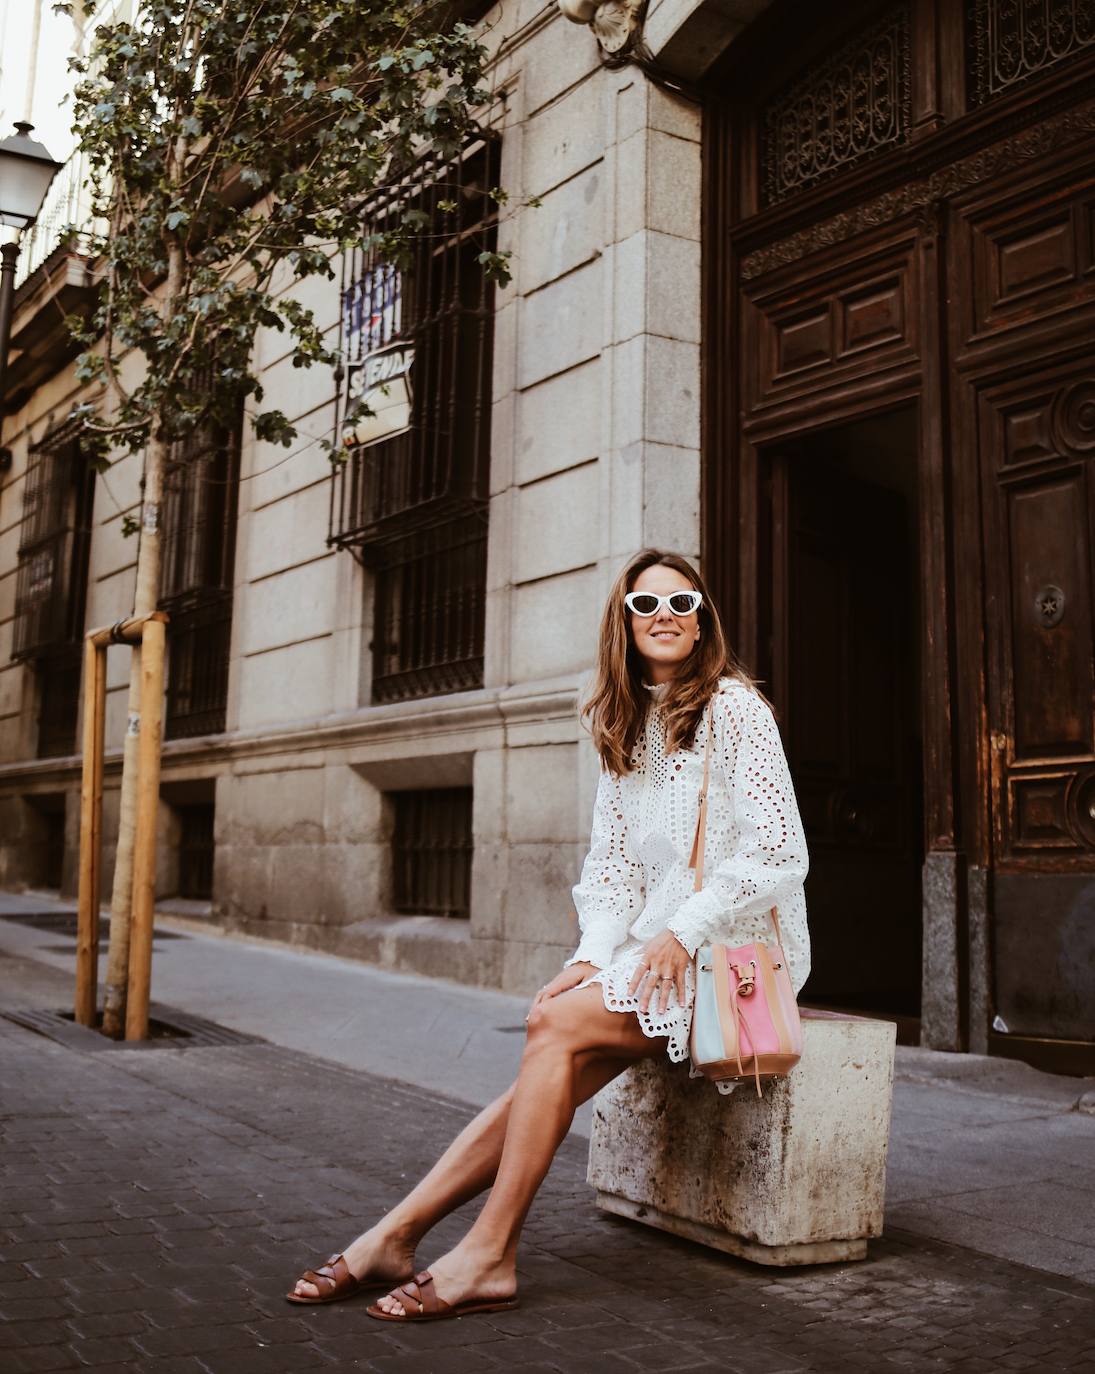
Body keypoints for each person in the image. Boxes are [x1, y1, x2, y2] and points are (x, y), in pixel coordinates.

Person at [286, 547, 810, 1322]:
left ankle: (487, 1251)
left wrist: (681, 931)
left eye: (681, 604)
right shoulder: (622, 724)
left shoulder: (734, 709)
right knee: (552, 1048)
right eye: (645, 606)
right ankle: (396, 1237)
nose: (663, 616)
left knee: (549, 1028)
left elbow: (778, 851)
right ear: (623, 624)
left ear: (702, 623)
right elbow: (608, 874)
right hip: (653, 954)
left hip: (731, 951)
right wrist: (590, 957)